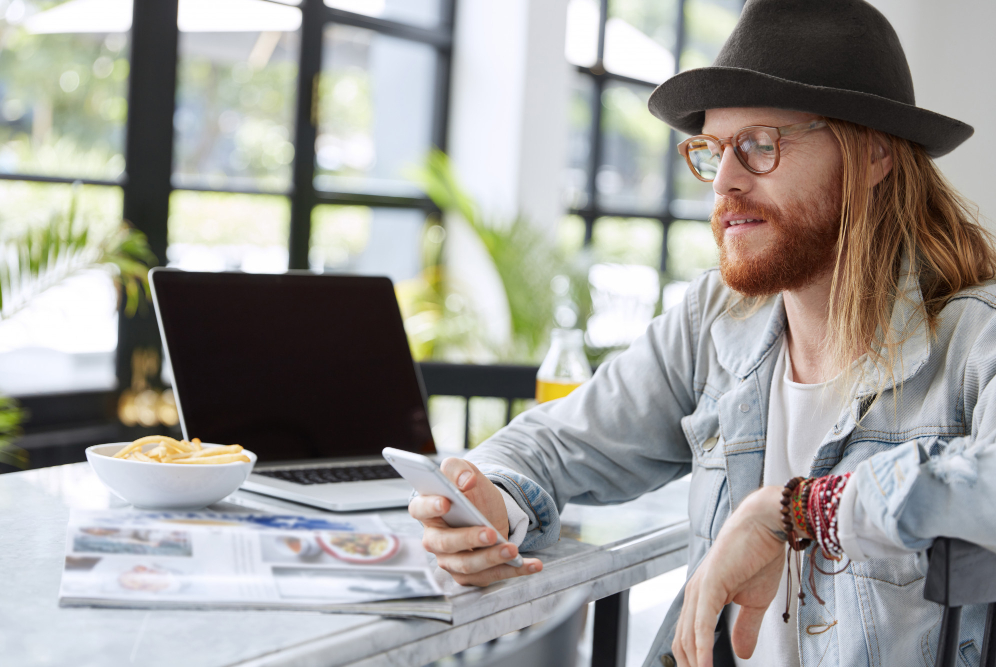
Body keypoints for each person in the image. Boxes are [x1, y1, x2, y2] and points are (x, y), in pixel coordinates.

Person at [408, 1, 996, 665]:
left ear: (873, 154)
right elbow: (555, 439)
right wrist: (492, 498)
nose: (725, 183)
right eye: (714, 151)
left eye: (760, 146)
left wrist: (799, 509)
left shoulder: (976, 339)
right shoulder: (720, 320)